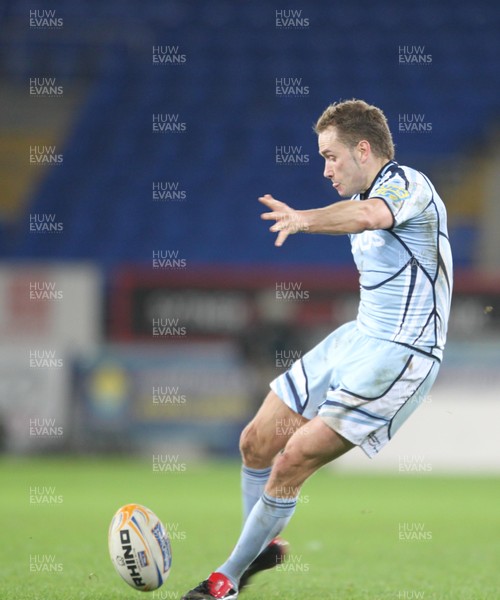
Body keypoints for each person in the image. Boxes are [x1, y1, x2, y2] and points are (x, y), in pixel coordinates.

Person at [181, 99, 453, 599]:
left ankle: (225, 581)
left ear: (363, 149)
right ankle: (262, 547)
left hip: (403, 354)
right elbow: (359, 214)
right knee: (256, 441)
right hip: (356, 338)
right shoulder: (363, 195)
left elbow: (370, 215)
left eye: (331, 156)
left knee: (292, 459)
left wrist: (304, 220)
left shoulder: (408, 185)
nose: (325, 169)